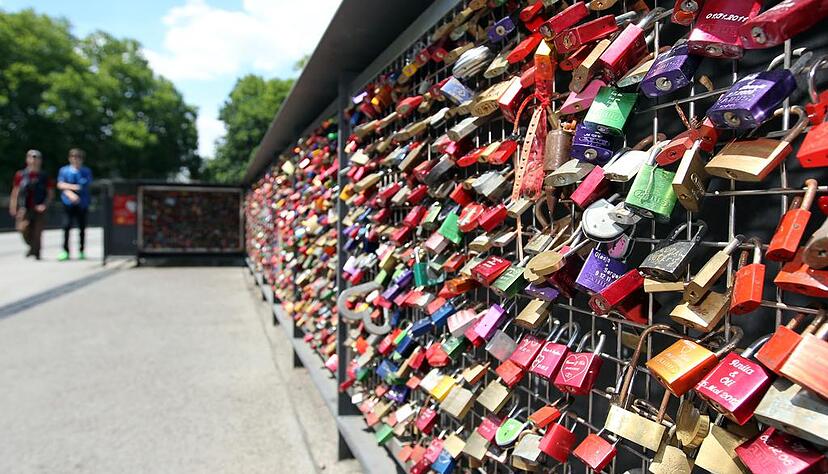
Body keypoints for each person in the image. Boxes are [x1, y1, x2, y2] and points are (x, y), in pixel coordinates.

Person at [9, 150, 54, 260]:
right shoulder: (20, 175)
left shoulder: (44, 176)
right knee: (22, 228)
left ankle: (37, 253)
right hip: (25, 207)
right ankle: (32, 248)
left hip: (39, 208)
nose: (34, 160)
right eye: (31, 157)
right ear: (27, 159)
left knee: (37, 231)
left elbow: (50, 193)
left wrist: (44, 205)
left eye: (36, 158)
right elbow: (15, 191)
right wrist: (13, 206)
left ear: (40, 160)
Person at [57, 148, 93, 261]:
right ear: (70, 158)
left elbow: (82, 185)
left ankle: (81, 250)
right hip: (68, 203)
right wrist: (70, 193)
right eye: (73, 157)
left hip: (82, 204)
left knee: (82, 228)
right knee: (66, 226)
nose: (76, 159)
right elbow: (60, 184)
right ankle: (65, 251)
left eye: (78, 157)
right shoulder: (64, 170)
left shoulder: (86, 171)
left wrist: (67, 187)